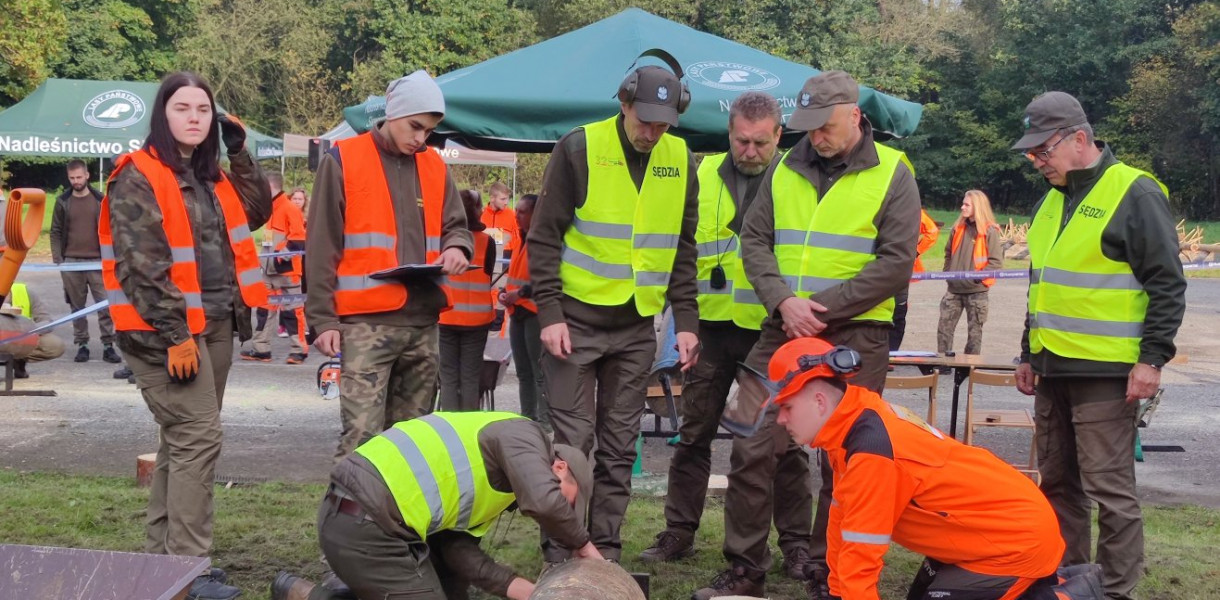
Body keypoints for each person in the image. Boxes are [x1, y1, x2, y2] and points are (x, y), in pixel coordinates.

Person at [729, 70, 921, 600]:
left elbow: (896, 263)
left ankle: (827, 571)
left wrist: (819, 309)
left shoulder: (894, 172)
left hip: (856, 335)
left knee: (848, 460)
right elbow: (754, 240)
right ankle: (744, 569)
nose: (816, 136)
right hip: (782, 329)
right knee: (748, 441)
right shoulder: (784, 166)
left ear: (855, 116)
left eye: (826, 126)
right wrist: (783, 301)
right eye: (809, 126)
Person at [99, 70, 272, 600]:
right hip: (163, 335)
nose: (194, 117)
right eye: (182, 108)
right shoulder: (137, 175)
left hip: (215, 326)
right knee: (198, 438)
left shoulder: (210, 176)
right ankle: (188, 572)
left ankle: (162, 567)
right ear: (163, 114)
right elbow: (141, 267)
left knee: (182, 444)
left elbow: (257, 212)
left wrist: (239, 153)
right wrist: (175, 335)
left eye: (202, 109)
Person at [1011, 91, 1186, 600]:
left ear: (1079, 138)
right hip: (1052, 369)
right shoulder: (1050, 201)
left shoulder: (1135, 192)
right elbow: (1040, 286)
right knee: (1058, 484)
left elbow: (1167, 284)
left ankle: (1113, 591)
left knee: (1110, 490)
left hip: (1107, 374)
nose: (1036, 161)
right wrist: (1028, 353)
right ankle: (1068, 583)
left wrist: (1152, 359)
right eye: (1031, 153)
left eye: (1042, 150)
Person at [639, 92, 815, 589]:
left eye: (761, 142)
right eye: (741, 141)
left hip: (771, 333)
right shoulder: (704, 173)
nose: (750, 151)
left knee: (783, 443)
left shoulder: (798, 178)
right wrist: (685, 323)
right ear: (729, 134)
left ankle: (796, 544)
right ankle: (679, 531)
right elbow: (682, 247)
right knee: (692, 435)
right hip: (712, 330)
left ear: (779, 136)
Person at [529, 62, 700, 562]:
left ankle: (604, 550)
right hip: (574, 322)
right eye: (645, 120)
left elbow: (683, 247)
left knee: (621, 445)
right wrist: (549, 314)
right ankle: (563, 550)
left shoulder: (681, 157)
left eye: (663, 123)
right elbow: (543, 237)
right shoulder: (578, 148)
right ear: (624, 104)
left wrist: (687, 322)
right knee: (573, 447)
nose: (652, 132)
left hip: (635, 326)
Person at [768, 336, 1085, 600]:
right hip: (985, 535)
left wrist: (846, 592)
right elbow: (842, 523)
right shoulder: (849, 426)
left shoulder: (870, 450)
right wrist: (837, 593)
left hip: (1014, 545)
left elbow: (861, 560)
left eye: (787, 407)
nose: (781, 419)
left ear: (820, 401)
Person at [306, 70, 472, 462]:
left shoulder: (435, 166)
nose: (421, 138)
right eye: (415, 126)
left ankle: (398, 506)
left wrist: (457, 248)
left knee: (413, 442)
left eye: (429, 131)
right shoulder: (343, 159)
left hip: (423, 322)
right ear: (392, 113)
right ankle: (350, 503)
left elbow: (456, 226)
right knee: (362, 439)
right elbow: (321, 245)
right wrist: (323, 320)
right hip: (366, 324)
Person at [269, 412, 603, 600]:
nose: (562, 512)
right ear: (560, 468)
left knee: (452, 592)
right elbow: (545, 502)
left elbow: (457, 552)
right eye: (567, 499)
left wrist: (531, 594)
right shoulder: (523, 434)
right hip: (365, 524)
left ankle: (301, 592)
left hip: (372, 524)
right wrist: (585, 547)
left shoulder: (502, 486)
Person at [50, 159, 120, 364]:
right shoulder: (62, 201)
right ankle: (82, 345)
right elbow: (55, 231)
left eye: (79, 177)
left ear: (87, 175)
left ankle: (108, 345)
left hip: (99, 261)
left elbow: (112, 228)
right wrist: (58, 258)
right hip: (71, 262)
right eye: (72, 178)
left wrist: (112, 256)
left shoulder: (101, 200)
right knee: (77, 307)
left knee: (105, 305)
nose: (76, 181)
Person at [438, 189, 496, 411]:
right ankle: (468, 426)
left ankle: (448, 425)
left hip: (446, 316)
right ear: (477, 210)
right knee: (470, 378)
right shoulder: (487, 242)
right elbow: (488, 273)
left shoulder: (444, 240)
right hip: (477, 321)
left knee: (448, 377)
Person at [243, 175, 309, 364]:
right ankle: (261, 349)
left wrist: (279, 258)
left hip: (287, 272)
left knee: (292, 311)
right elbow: (269, 239)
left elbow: (298, 240)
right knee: (264, 310)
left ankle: (299, 350)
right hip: (269, 270)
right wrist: (265, 261)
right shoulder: (270, 209)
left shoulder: (289, 208)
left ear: (269, 187)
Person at [500, 193, 547, 426]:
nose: (516, 216)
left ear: (535, 214)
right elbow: (516, 276)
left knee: (540, 373)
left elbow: (546, 280)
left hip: (534, 313)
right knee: (523, 372)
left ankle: (545, 424)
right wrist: (505, 294)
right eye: (516, 211)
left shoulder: (543, 240)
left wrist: (519, 294)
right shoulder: (521, 239)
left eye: (522, 212)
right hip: (517, 313)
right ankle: (529, 419)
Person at [937, 190, 1002, 356]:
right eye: (963, 203)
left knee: (974, 334)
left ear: (978, 207)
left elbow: (995, 263)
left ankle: (969, 366)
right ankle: (943, 363)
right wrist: (948, 274)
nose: (962, 207)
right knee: (944, 329)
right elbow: (948, 253)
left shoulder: (989, 231)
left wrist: (977, 279)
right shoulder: (957, 228)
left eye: (967, 204)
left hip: (977, 292)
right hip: (954, 290)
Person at [890, 209, 939, 352]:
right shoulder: (912, 208)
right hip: (897, 268)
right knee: (897, 311)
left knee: (897, 311)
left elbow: (932, 232)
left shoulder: (913, 210)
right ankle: (891, 352)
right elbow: (932, 232)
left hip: (895, 269)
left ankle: (891, 353)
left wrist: (916, 252)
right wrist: (915, 252)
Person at [4, 282, 66, 378]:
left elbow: (46, 321)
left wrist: (27, 331)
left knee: (54, 345)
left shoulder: (23, 292)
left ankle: (19, 360)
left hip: (19, 339)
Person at [481, 181, 519, 257]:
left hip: (505, 257)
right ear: (492, 198)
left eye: (507, 199)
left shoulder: (513, 215)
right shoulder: (480, 214)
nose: (506, 202)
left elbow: (518, 241)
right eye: (503, 199)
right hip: (484, 255)